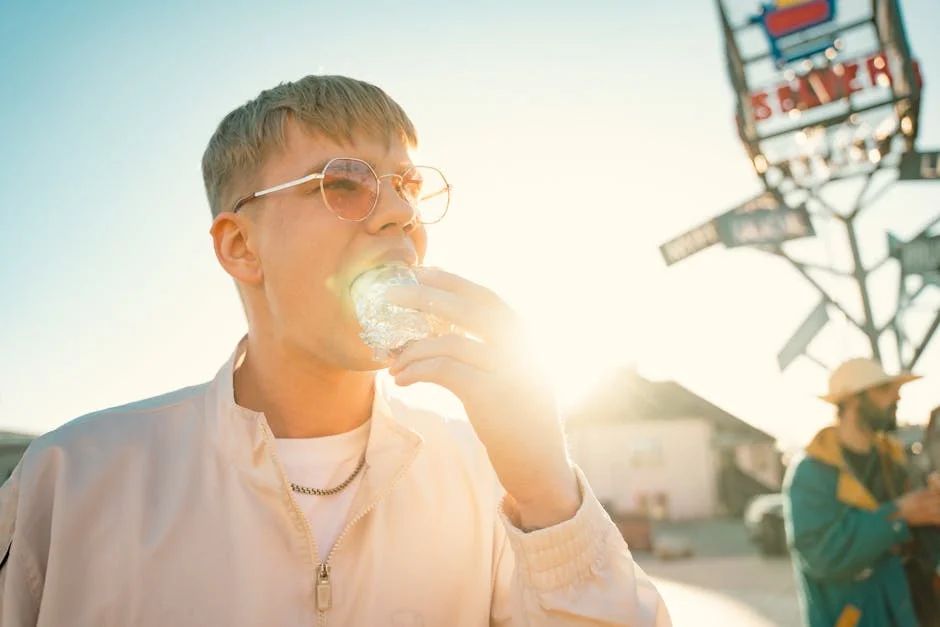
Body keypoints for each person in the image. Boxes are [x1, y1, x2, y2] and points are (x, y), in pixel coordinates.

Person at [0, 75, 670, 626]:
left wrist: (548, 490)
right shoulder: (73, 478)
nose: (400, 216)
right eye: (344, 183)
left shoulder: (490, 479)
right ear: (241, 246)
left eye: (408, 187)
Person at [784, 357, 940, 627]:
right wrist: (900, 513)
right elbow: (822, 554)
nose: (896, 398)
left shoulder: (893, 462)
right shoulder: (811, 472)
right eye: (883, 390)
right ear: (854, 400)